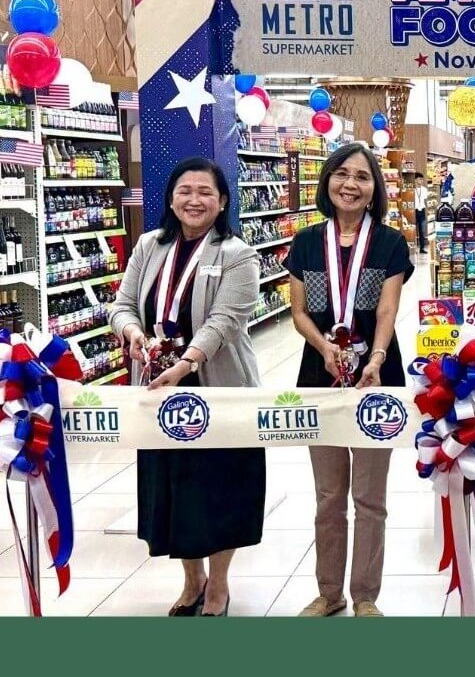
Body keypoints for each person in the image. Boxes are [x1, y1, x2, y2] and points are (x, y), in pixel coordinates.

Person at [110, 156, 264, 618]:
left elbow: (225, 322)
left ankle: (218, 584)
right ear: (171, 198)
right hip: (159, 388)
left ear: (221, 203)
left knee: (220, 485)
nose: (194, 200)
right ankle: (191, 579)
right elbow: (122, 305)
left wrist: (187, 362)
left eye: (205, 192)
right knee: (173, 486)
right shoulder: (148, 247)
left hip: (217, 387)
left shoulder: (238, 254)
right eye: (185, 190)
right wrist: (133, 333)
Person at [285, 143, 414, 618]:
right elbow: (299, 312)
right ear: (328, 182)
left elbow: (387, 309)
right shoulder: (304, 243)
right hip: (319, 373)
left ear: (374, 188)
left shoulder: (390, 243)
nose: (351, 185)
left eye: (362, 177)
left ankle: (364, 596)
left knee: (369, 494)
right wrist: (325, 348)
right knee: (328, 494)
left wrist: (375, 359)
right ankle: (328, 592)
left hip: (376, 375)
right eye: (342, 174)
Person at [414, 172, 428, 254]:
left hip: (422, 210)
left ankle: (422, 248)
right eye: (420, 179)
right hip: (414, 210)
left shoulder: (424, 189)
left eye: (422, 179)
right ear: (415, 180)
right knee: (413, 230)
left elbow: (425, 200)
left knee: (422, 230)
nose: (421, 181)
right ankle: (414, 248)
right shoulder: (412, 189)